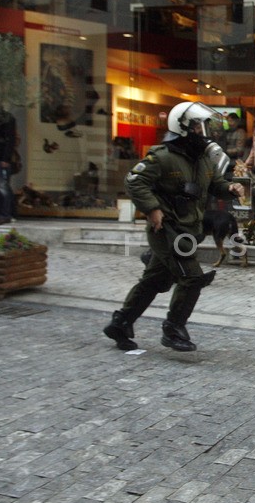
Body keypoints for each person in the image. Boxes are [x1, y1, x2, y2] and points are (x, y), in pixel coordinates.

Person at [103, 101, 245, 352]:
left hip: (189, 228)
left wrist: (230, 189)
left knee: (154, 280)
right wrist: (152, 208)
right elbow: (135, 181)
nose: (207, 133)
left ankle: (121, 322)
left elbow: (216, 185)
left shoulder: (203, 159)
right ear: (183, 127)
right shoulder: (162, 156)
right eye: (201, 127)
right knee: (192, 278)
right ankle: (173, 328)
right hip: (167, 230)